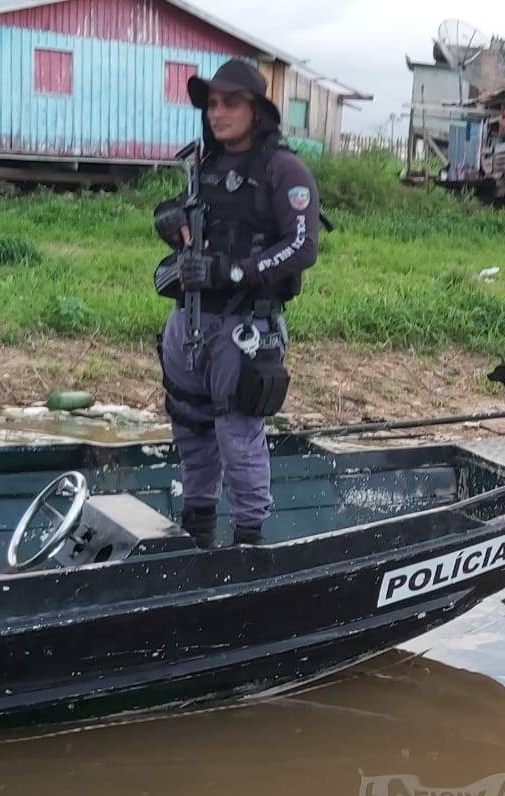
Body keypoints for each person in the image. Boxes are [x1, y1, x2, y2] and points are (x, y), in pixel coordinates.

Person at [152, 59, 319, 549]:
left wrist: (233, 271)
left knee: (238, 435)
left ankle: (249, 544)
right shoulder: (203, 162)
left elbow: (302, 246)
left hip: (246, 328)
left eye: (230, 103)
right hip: (189, 321)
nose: (218, 112)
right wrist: (167, 217)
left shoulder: (283, 169)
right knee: (190, 426)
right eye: (212, 104)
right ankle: (198, 533)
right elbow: (180, 213)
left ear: (256, 110)